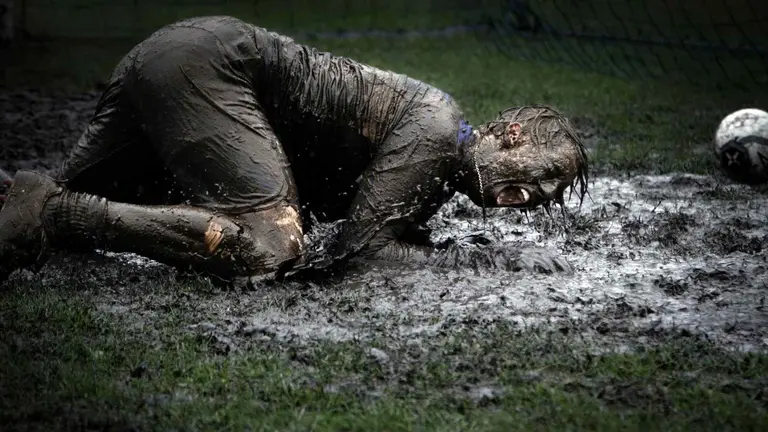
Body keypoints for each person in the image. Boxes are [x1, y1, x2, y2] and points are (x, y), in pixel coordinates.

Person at [0, 16, 588, 285]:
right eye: (540, 177)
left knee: (45, 200)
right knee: (271, 249)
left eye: (546, 198)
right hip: (209, 67)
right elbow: (355, 258)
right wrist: (482, 261)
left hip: (180, 55)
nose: (531, 198)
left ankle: (40, 202)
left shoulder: (439, 154)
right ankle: (56, 214)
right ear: (511, 137)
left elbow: (374, 234)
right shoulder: (438, 129)